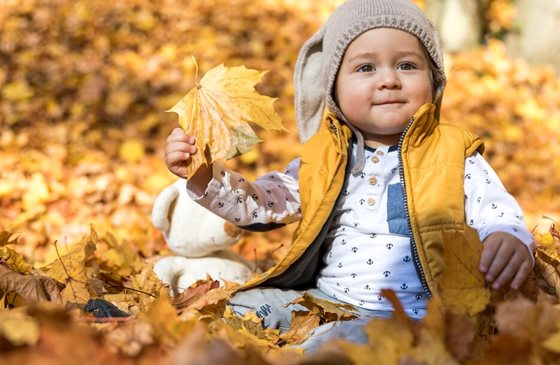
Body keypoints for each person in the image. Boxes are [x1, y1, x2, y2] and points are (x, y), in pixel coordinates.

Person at [164, 0, 535, 352]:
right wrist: (203, 178)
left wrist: (507, 237)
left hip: (413, 314)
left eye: (407, 66)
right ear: (334, 91)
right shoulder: (324, 155)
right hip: (326, 300)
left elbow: (498, 212)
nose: (389, 79)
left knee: (347, 342)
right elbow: (264, 204)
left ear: (435, 82)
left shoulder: (454, 151)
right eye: (366, 68)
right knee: (243, 306)